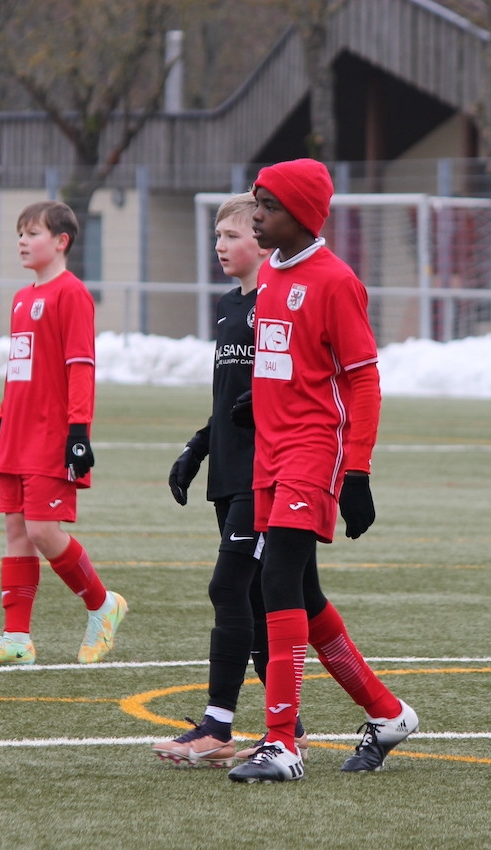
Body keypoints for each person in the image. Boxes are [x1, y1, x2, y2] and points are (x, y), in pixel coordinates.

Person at [226, 158, 418, 784]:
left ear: (303, 216)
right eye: (257, 203)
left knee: (275, 581)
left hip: (314, 449)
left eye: (269, 206)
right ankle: (388, 713)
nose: (257, 216)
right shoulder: (271, 276)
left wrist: (358, 473)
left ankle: (282, 743)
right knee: (300, 596)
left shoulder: (336, 281)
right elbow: (290, 360)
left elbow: (363, 381)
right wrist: (256, 401)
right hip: (271, 452)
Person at [151, 193, 312, 767]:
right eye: (217, 236)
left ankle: (218, 727)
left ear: (263, 242)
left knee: (229, 588)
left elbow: (294, 386)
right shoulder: (228, 306)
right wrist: (198, 448)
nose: (220, 245)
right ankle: (289, 724)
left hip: (267, 473)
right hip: (229, 470)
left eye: (233, 235)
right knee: (260, 597)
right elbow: (230, 399)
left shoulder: (277, 301)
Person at [0, 200, 126, 667]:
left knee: (42, 530)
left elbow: (81, 367)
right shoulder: (20, 299)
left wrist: (78, 431)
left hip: (51, 435)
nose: (22, 241)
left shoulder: (71, 294)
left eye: (32, 233)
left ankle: (103, 604)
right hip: (17, 433)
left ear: (61, 241)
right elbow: (18, 370)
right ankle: (16, 638)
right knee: (16, 530)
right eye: (20, 233)